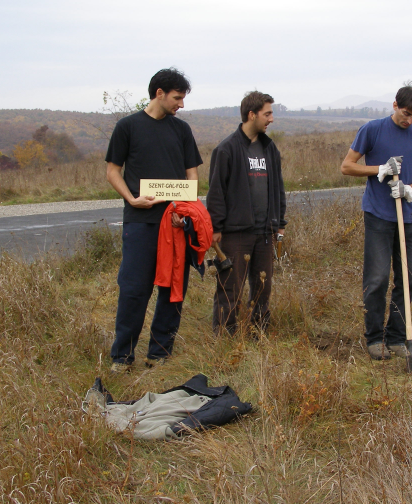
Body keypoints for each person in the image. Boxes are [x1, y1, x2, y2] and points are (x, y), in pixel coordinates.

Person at [105, 68, 202, 372]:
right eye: (177, 98)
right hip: (141, 221)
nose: (181, 105)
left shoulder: (181, 131)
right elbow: (112, 171)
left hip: (176, 223)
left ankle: (159, 354)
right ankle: (122, 357)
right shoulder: (127, 127)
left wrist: (185, 212)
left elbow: (192, 174)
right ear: (159, 93)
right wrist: (132, 199)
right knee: (134, 288)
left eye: (183, 99)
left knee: (173, 289)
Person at [340, 83, 412, 360]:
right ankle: (374, 338)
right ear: (395, 105)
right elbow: (347, 166)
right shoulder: (372, 129)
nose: (410, 120)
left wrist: (409, 189)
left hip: (408, 218)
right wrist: (379, 170)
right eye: (406, 113)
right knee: (378, 278)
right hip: (378, 215)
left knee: (409, 281)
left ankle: (396, 337)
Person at [206, 91, 287, 335]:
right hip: (235, 233)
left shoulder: (269, 149)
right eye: (267, 113)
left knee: (264, 286)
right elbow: (216, 192)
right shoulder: (227, 149)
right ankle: (225, 335)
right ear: (251, 115)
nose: (271, 119)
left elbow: (278, 188)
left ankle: (258, 332)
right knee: (230, 286)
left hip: (265, 232)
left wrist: (279, 223)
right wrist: (215, 228)